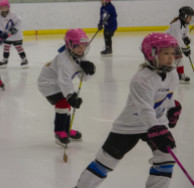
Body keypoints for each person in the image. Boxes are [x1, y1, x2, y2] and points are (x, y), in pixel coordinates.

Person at [75, 33, 183, 188]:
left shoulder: (172, 74)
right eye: (165, 53)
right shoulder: (141, 79)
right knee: (105, 162)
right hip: (129, 125)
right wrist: (157, 129)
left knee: (166, 158)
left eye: (172, 53)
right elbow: (145, 108)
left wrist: (173, 107)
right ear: (151, 53)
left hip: (156, 123)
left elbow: (165, 96)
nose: (171, 57)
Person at [37, 28, 96, 147]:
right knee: (63, 104)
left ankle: (66, 130)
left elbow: (83, 78)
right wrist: (70, 96)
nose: (82, 49)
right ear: (69, 45)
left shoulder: (79, 55)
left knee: (67, 106)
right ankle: (59, 132)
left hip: (59, 83)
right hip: (48, 84)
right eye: (78, 46)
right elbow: (64, 81)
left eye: (84, 45)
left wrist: (89, 70)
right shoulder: (63, 60)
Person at [166, 6, 194, 84]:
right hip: (167, 43)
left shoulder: (185, 24)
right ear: (183, 16)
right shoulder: (175, 25)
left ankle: (180, 75)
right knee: (172, 59)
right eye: (189, 17)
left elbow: (185, 34)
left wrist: (187, 38)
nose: (190, 19)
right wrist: (185, 48)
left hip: (174, 44)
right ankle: (166, 75)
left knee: (179, 58)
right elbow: (178, 39)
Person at [0, 0, 28, 68]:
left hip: (17, 36)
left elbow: (19, 21)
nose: (3, 9)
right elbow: (1, 28)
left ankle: (24, 59)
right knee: (6, 48)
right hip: (8, 37)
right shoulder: (0, 18)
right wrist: (2, 36)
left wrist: (15, 29)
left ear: (8, 7)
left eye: (4, 7)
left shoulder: (14, 15)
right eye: (1, 8)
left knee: (18, 47)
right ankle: (5, 60)